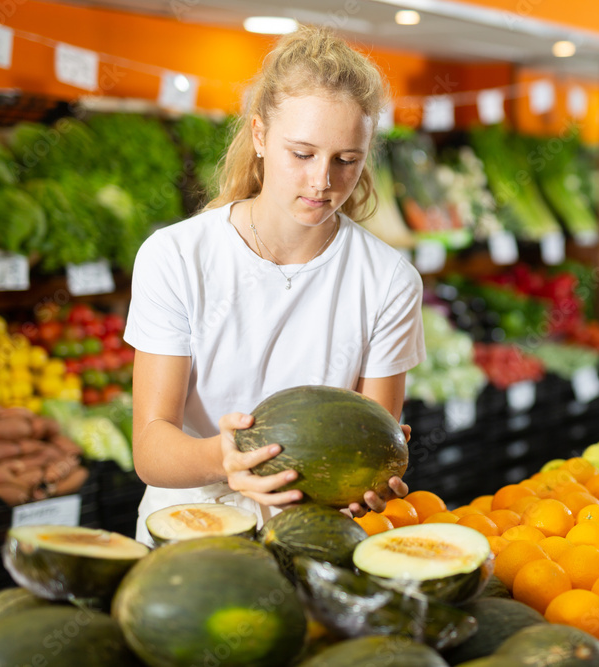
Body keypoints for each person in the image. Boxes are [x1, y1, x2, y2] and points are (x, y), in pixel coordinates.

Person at [123, 26, 426, 545]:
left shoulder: (389, 281)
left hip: (317, 539)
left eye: (346, 160)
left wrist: (372, 478)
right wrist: (229, 458)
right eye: (302, 154)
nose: (322, 182)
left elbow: (373, 438)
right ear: (260, 136)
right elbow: (151, 450)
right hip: (189, 532)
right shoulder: (176, 256)